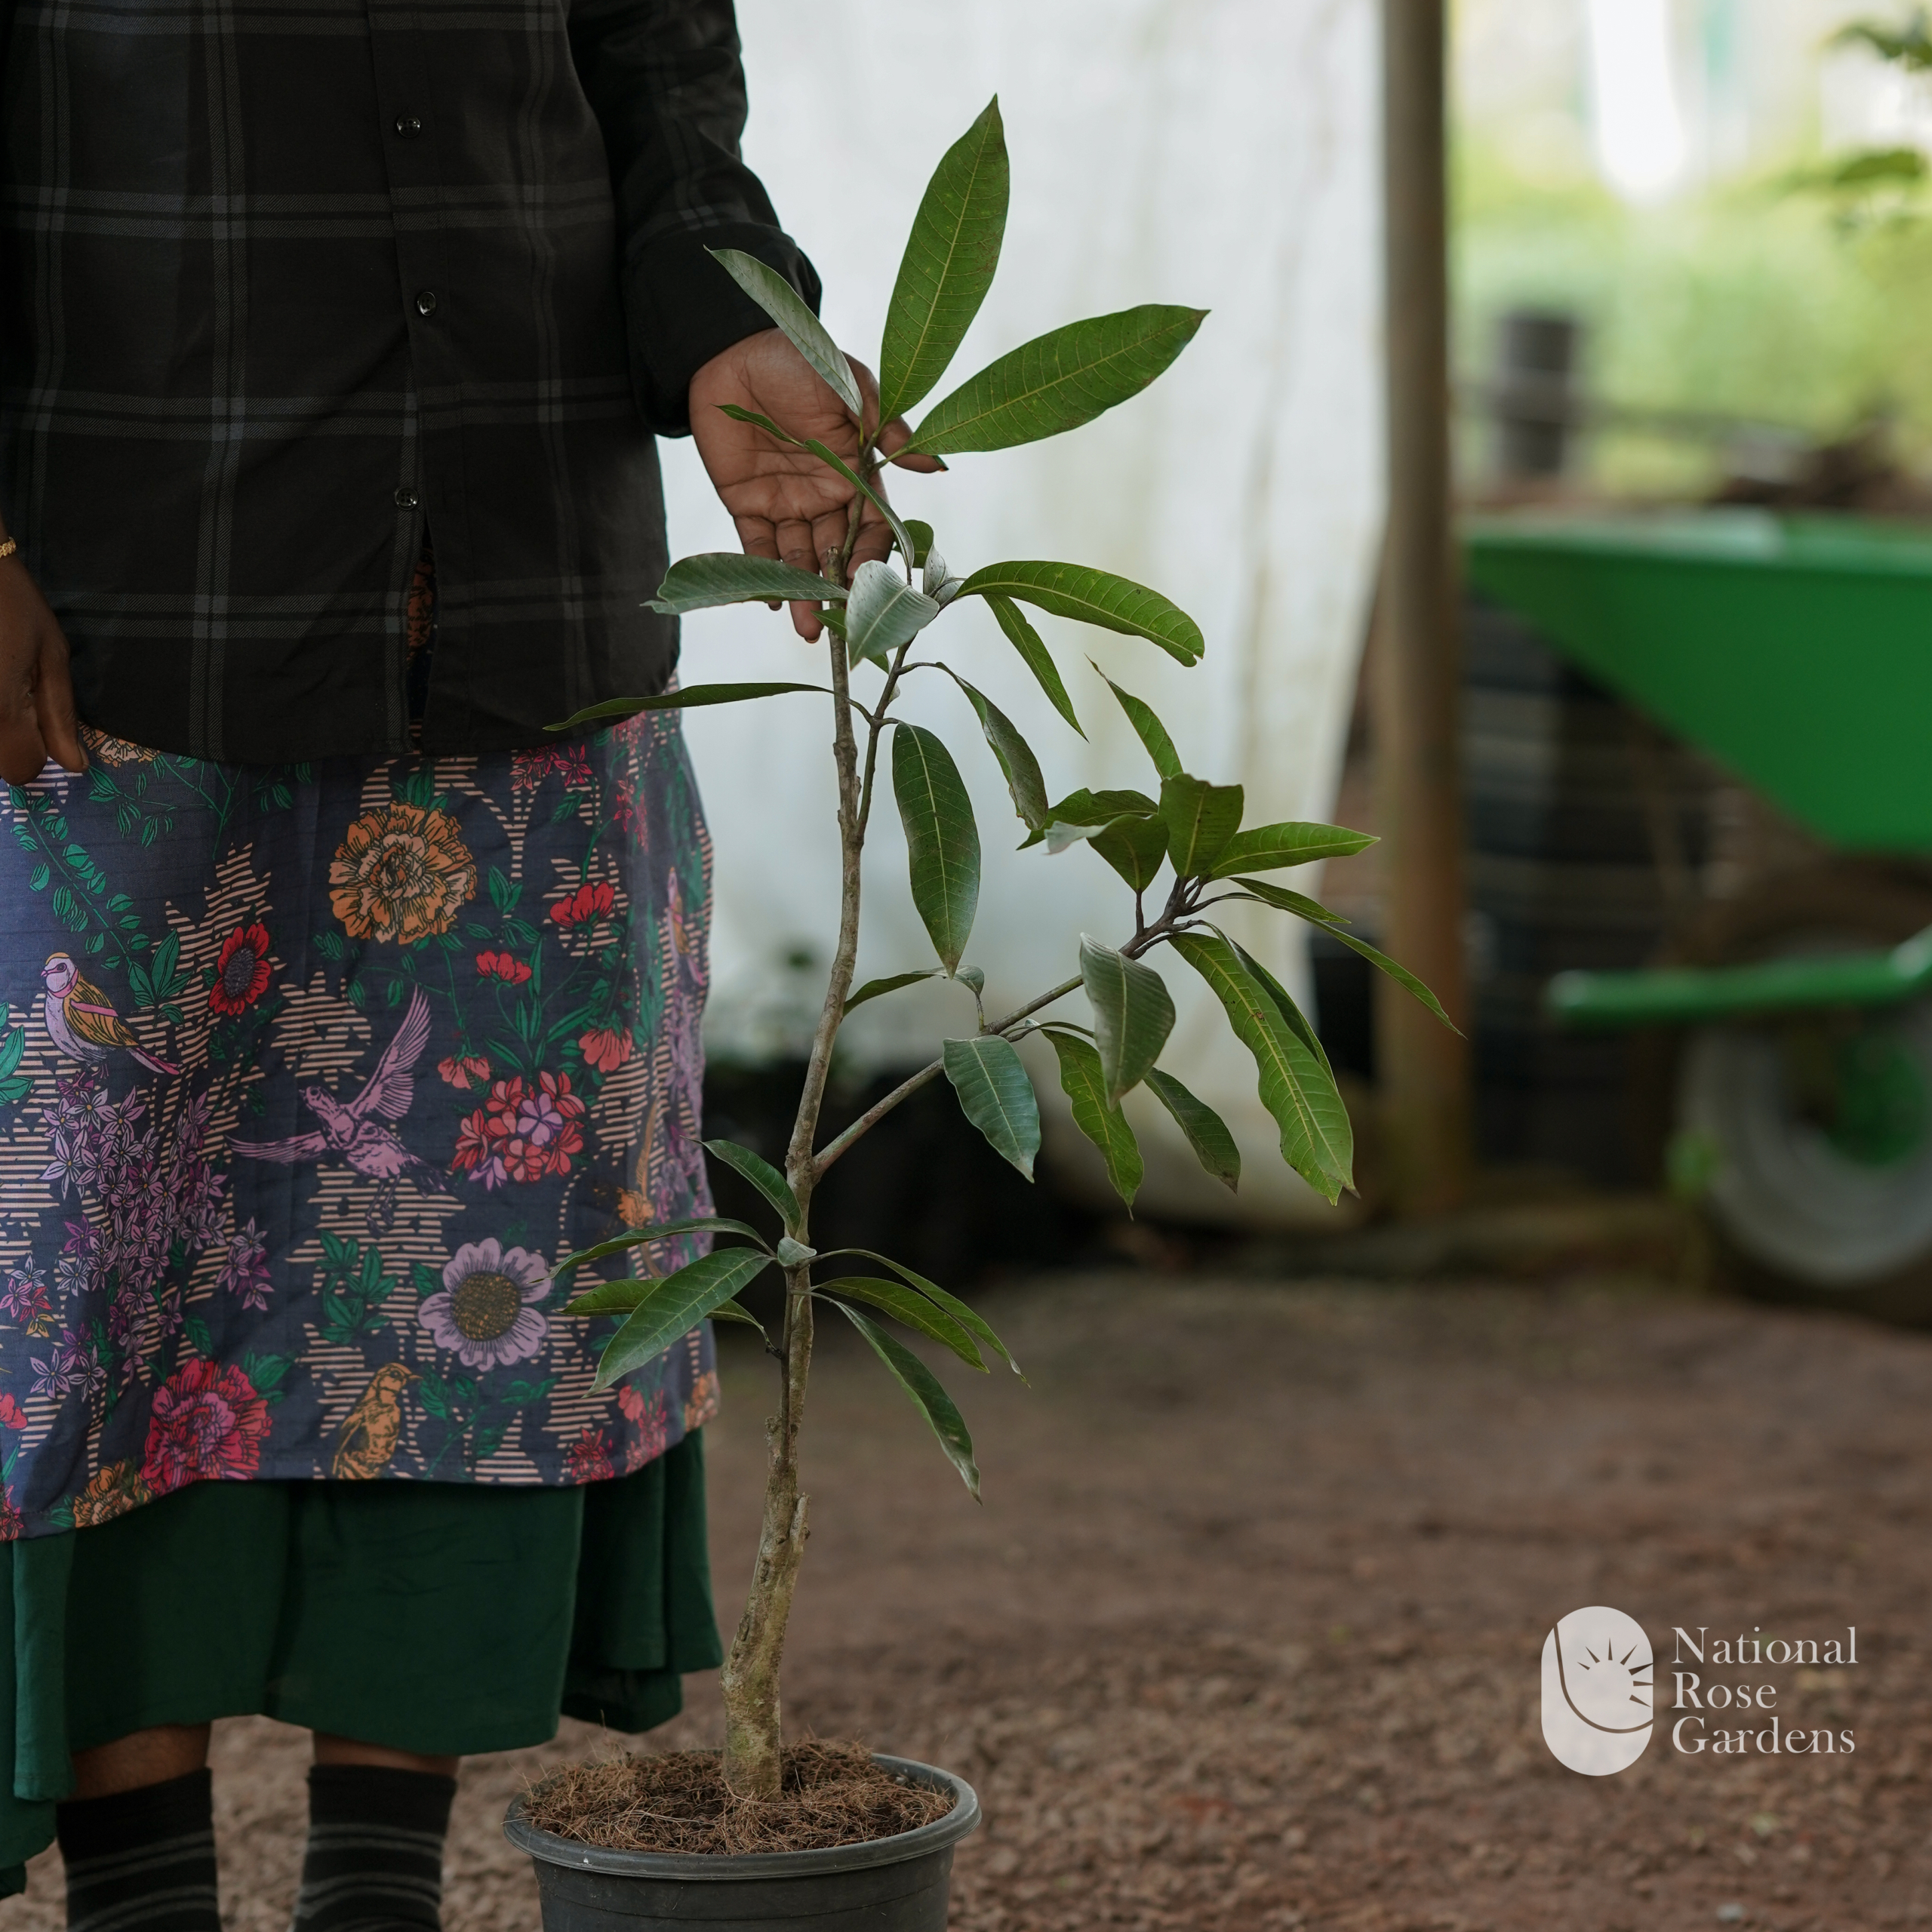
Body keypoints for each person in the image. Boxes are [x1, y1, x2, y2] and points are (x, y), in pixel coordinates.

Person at [0, 4, 931, 1925]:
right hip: (119, 630)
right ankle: (143, 1898)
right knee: (90, 1291)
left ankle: (375, 1891)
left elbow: (662, 107)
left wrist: (726, 332)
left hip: (522, 618)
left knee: (454, 1281)